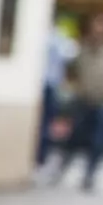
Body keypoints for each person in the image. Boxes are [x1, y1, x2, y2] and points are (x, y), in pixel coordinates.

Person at [54, 11, 103, 190]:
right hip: (83, 99)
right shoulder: (82, 47)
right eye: (97, 24)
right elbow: (70, 71)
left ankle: (90, 175)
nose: (100, 28)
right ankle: (62, 167)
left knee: (99, 141)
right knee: (75, 137)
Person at [37, 22, 78, 169]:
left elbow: (71, 54)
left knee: (46, 122)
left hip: (48, 85)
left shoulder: (53, 37)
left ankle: (41, 155)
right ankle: (41, 155)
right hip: (48, 85)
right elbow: (71, 54)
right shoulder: (57, 38)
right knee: (45, 122)